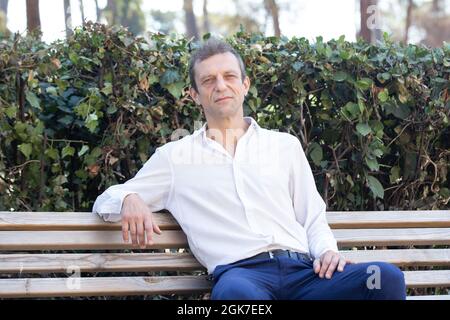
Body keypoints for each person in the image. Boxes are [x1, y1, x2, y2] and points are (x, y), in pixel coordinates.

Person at [93, 38, 406, 300]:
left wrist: (326, 252)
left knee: (385, 279)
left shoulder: (284, 146)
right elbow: (107, 201)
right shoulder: (175, 157)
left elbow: (312, 218)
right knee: (237, 298)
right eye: (208, 80)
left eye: (229, 76)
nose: (220, 86)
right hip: (242, 278)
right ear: (193, 95)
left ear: (245, 85)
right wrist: (130, 197)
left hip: (305, 275)